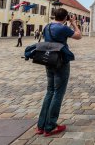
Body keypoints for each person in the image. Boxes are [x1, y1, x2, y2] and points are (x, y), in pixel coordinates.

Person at [36, 8, 82, 137]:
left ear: (54, 16)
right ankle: (50, 126)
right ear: (65, 17)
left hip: (48, 59)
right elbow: (78, 35)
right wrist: (73, 23)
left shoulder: (47, 26)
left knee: (49, 91)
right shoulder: (63, 28)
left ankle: (41, 125)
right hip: (60, 61)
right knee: (58, 93)